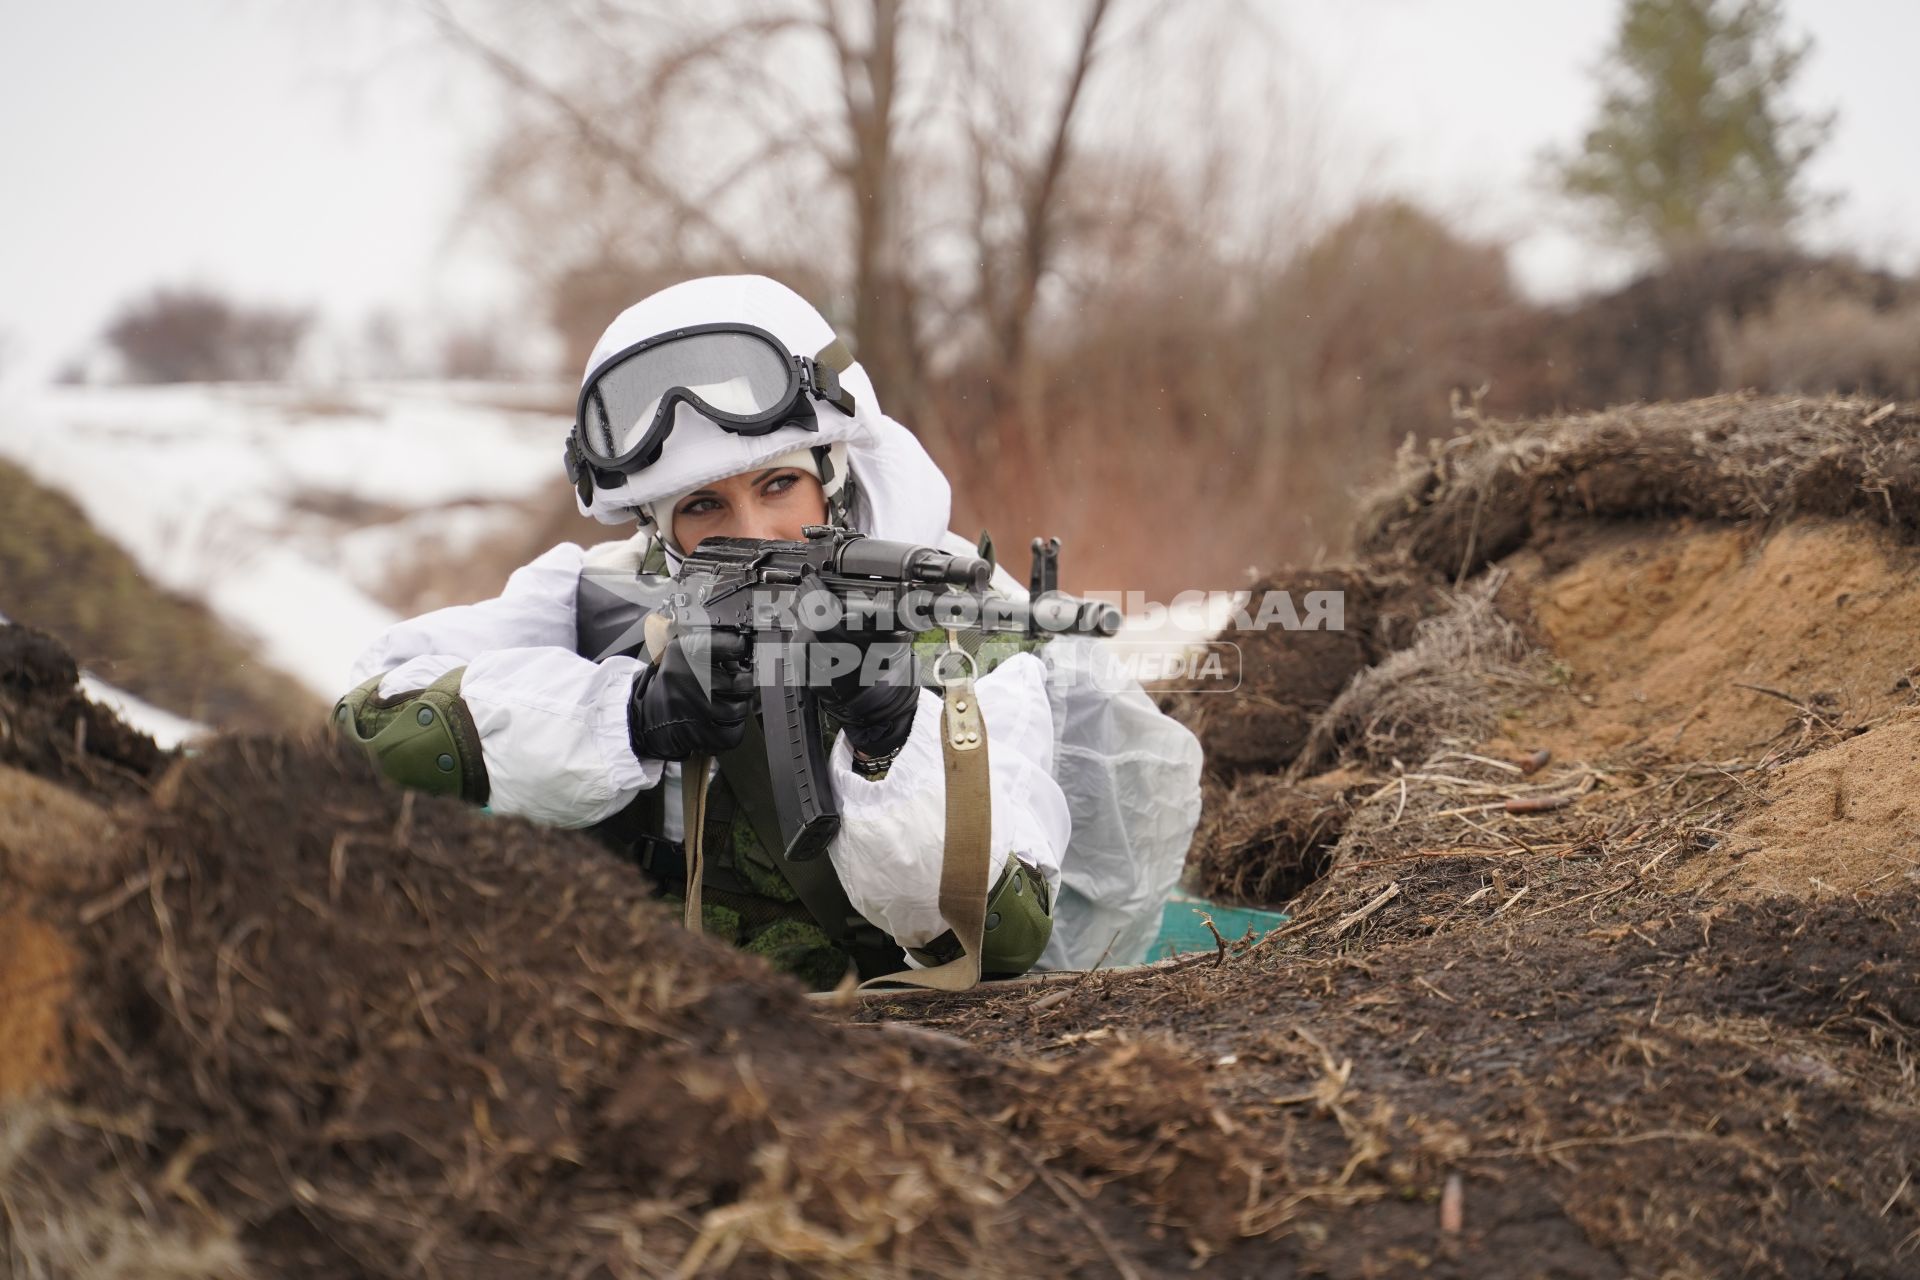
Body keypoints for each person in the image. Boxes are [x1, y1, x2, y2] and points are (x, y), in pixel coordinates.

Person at [333, 275, 1202, 989]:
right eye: (706, 507)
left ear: (836, 476)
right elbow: (373, 724)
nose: (750, 530)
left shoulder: (962, 630)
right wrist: (623, 717)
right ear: (658, 529)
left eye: (779, 486)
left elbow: (1003, 932)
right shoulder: (594, 596)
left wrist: (889, 745)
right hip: (634, 1043)